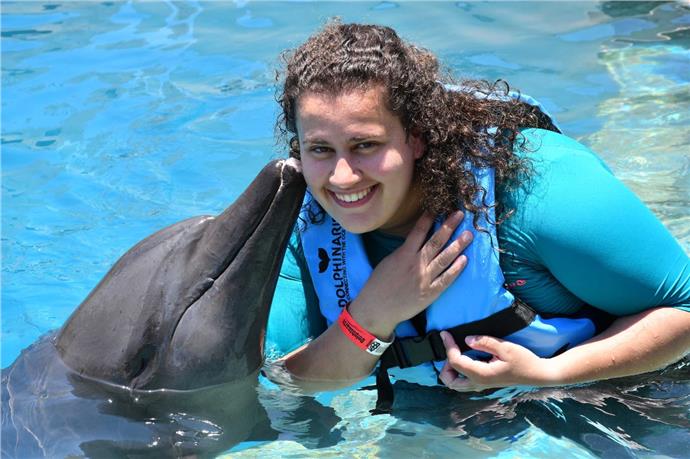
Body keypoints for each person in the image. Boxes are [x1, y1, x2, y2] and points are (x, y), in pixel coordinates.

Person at [264, 21, 690, 399]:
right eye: (320, 149)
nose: (342, 177)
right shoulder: (304, 224)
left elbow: (684, 308)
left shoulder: (536, 190)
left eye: (366, 145)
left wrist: (551, 373)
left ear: (416, 137)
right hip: (436, 414)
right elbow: (285, 382)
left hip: (624, 391)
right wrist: (373, 315)